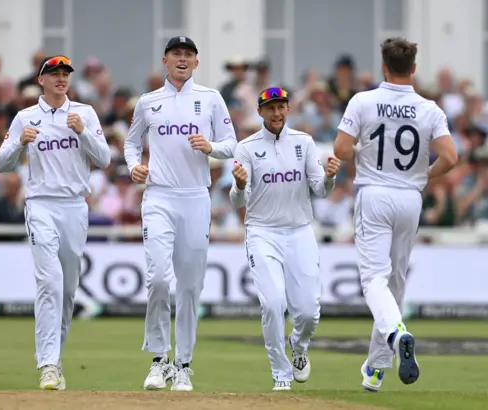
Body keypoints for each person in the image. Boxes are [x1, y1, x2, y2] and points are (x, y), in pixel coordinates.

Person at [333, 37, 458, 392]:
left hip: (375, 194)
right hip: (410, 197)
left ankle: (395, 333)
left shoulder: (364, 101)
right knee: (395, 282)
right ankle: (375, 370)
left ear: (384, 66)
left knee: (373, 279)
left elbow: (341, 148)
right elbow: (450, 157)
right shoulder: (429, 108)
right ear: (414, 68)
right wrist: (424, 175)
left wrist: (362, 149)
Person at [124, 36, 237, 392]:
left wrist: (211, 147)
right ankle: (159, 360)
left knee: (189, 287)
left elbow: (232, 143)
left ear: (196, 62)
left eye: (189, 55)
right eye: (177, 54)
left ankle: (183, 365)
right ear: (166, 60)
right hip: (158, 196)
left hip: (195, 198)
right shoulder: (148, 102)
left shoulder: (210, 99)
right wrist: (133, 167)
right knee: (158, 278)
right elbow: (130, 143)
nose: (183, 59)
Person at [0, 55, 111, 390]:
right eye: (54, 74)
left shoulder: (84, 113)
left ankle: (55, 360)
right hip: (41, 204)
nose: (61, 79)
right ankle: (46, 364)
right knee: (50, 281)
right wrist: (19, 142)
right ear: (41, 80)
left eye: (65, 74)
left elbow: (103, 159)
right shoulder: (25, 117)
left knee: (67, 289)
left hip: (75, 206)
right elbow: (2, 164)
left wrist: (84, 133)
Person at [229, 87, 340, 391]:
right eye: (270, 108)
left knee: (307, 312)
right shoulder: (247, 147)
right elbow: (239, 201)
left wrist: (329, 176)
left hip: (300, 230)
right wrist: (239, 186)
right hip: (263, 233)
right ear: (260, 112)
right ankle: (281, 372)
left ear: (288, 109)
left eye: (281, 107)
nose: (276, 114)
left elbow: (319, 189)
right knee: (274, 303)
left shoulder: (303, 143)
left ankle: (299, 346)